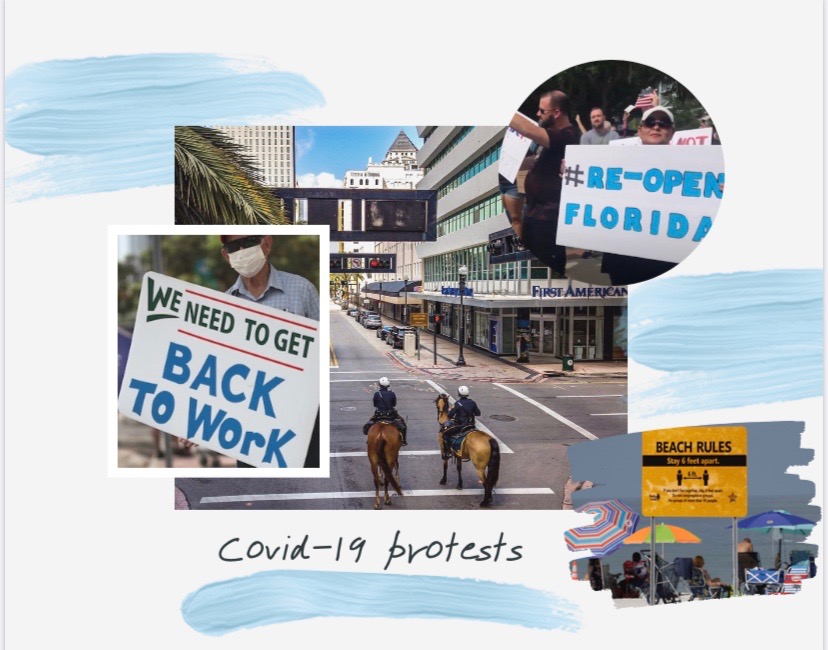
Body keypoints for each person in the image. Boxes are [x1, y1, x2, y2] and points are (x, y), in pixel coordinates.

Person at [222, 234, 320, 467]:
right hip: (248, 425)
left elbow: (322, 349)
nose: (242, 250)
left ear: (266, 244)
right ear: (226, 255)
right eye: (234, 246)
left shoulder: (302, 289)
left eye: (249, 242)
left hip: (299, 419)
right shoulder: (225, 304)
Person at [599, 106, 679, 285]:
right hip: (624, 257)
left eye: (663, 123)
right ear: (640, 130)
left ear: (672, 132)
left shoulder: (695, 166)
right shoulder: (614, 161)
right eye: (650, 123)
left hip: (667, 258)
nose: (656, 127)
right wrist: (571, 171)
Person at [508, 90, 580, 278]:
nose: (538, 114)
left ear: (556, 113)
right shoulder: (555, 136)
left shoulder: (568, 136)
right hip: (534, 214)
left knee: (542, 273)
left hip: (548, 219)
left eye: (542, 111)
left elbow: (528, 130)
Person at [363, 377, 407, 446]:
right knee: (403, 425)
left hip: (379, 415)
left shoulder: (376, 394)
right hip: (390, 415)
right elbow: (394, 404)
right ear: (388, 385)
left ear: (379, 385)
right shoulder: (392, 394)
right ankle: (404, 441)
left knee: (369, 425)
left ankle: (369, 440)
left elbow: (375, 405)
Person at [440, 386, 481, 459]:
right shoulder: (472, 402)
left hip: (460, 426)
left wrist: (450, 410)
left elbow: (450, 415)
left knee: (444, 434)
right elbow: (478, 413)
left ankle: (448, 452)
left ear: (459, 394)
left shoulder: (457, 403)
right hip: (471, 425)